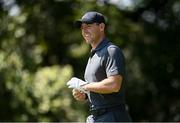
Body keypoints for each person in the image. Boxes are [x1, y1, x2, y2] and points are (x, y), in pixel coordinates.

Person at [67, 11, 132, 122]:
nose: (84, 31)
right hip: (96, 117)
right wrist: (84, 95)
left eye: (88, 26)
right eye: (82, 28)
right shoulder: (93, 54)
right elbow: (97, 87)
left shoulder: (111, 50)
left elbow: (114, 85)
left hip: (112, 116)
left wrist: (85, 86)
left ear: (101, 27)